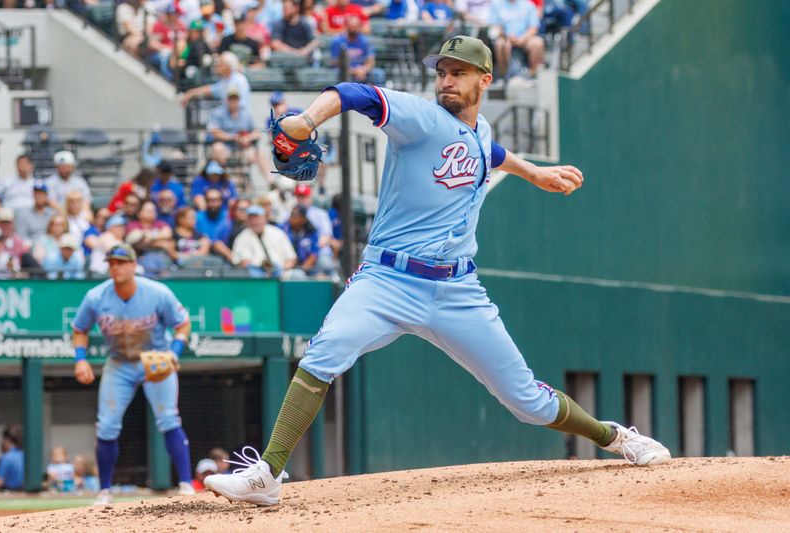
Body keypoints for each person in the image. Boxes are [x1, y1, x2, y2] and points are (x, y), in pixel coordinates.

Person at [203, 36, 670, 505]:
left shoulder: (479, 129)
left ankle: (614, 437)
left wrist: (536, 173)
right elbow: (354, 94)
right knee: (321, 356)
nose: (447, 80)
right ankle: (268, 474)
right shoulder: (421, 118)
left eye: (459, 72)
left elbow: (490, 150)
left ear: (485, 80)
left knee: (527, 401)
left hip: (456, 289)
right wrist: (306, 120)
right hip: (386, 280)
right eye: (442, 72)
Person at [72, 243, 194, 505]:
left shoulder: (157, 292)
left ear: (133, 265)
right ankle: (104, 491)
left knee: (169, 419)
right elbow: (79, 328)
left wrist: (174, 351)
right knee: (106, 425)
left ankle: (185, 483)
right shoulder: (96, 297)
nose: (115, 267)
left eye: (121, 262)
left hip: (156, 359)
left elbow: (183, 324)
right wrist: (80, 360)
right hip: (119, 363)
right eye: (112, 262)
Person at [231, 205, 297, 277]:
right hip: (254, 278)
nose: (254, 221)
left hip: (282, 274)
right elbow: (242, 261)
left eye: (257, 218)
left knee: (298, 275)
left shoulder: (278, 233)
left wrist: (282, 268)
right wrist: (258, 269)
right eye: (251, 218)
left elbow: (291, 258)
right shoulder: (241, 238)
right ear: (247, 221)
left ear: (264, 219)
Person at [490, 0, 545, 81]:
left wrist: (522, 39)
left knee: (538, 43)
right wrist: (506, 36)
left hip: (525, 38)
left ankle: (533, 75)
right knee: (500, 44)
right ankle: (503, 76)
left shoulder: (528, 5)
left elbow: (534, 28)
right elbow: (494, 26)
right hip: (504, 37)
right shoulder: (496, 4)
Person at [180, 51, 251, 110]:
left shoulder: (239, 80)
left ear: (228, 66)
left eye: (220, 64)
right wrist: (190, 93)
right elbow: (210, 89)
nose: (217, 66)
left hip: (239, 119)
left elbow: (242, 105)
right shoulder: (225, 80)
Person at [329, 15, 384, 84]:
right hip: (344, 70)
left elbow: (371, 61)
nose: (353, 29)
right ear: (346, 26)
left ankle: (378, 94)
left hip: (362, 70)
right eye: (351, 26)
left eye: (355, 26)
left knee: (378, 74)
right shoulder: (337, 41)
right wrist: (352, 71)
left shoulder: (365, 41)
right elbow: (335, 62)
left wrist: (364, 70)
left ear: (359, 27)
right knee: (336, 74)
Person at [196, 189, 235, 262]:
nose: (214, 203)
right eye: (210, 200)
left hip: (225, 251)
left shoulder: (228, 216)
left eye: (217, 200)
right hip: (203, 252)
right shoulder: (197, 217)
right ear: (206, 201)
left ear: (221, 202)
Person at [14, 180, 56, 244]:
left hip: (50, 247)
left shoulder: (52, 214)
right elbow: (21, 236)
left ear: (46, 196)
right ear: (33, 195)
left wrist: (55, 206)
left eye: (42, 194)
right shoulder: (23, 214)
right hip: (31, 248)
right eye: (37, 193)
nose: (39, 196)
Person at [283, 205, 318, 277]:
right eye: (291, 214)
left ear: (303, 219)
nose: (291, 217)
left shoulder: (311, 232)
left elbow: (313, 255)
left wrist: (302, 270)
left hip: (305, 268)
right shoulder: (283, 229)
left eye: (295, 215)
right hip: (286, 266)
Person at [0, 425, 24, 491]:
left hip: (10, 493)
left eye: (3, 440)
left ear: (8, 440)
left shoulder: (7, 458)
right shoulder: (25, 455)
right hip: (25, 494)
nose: (1, 443)